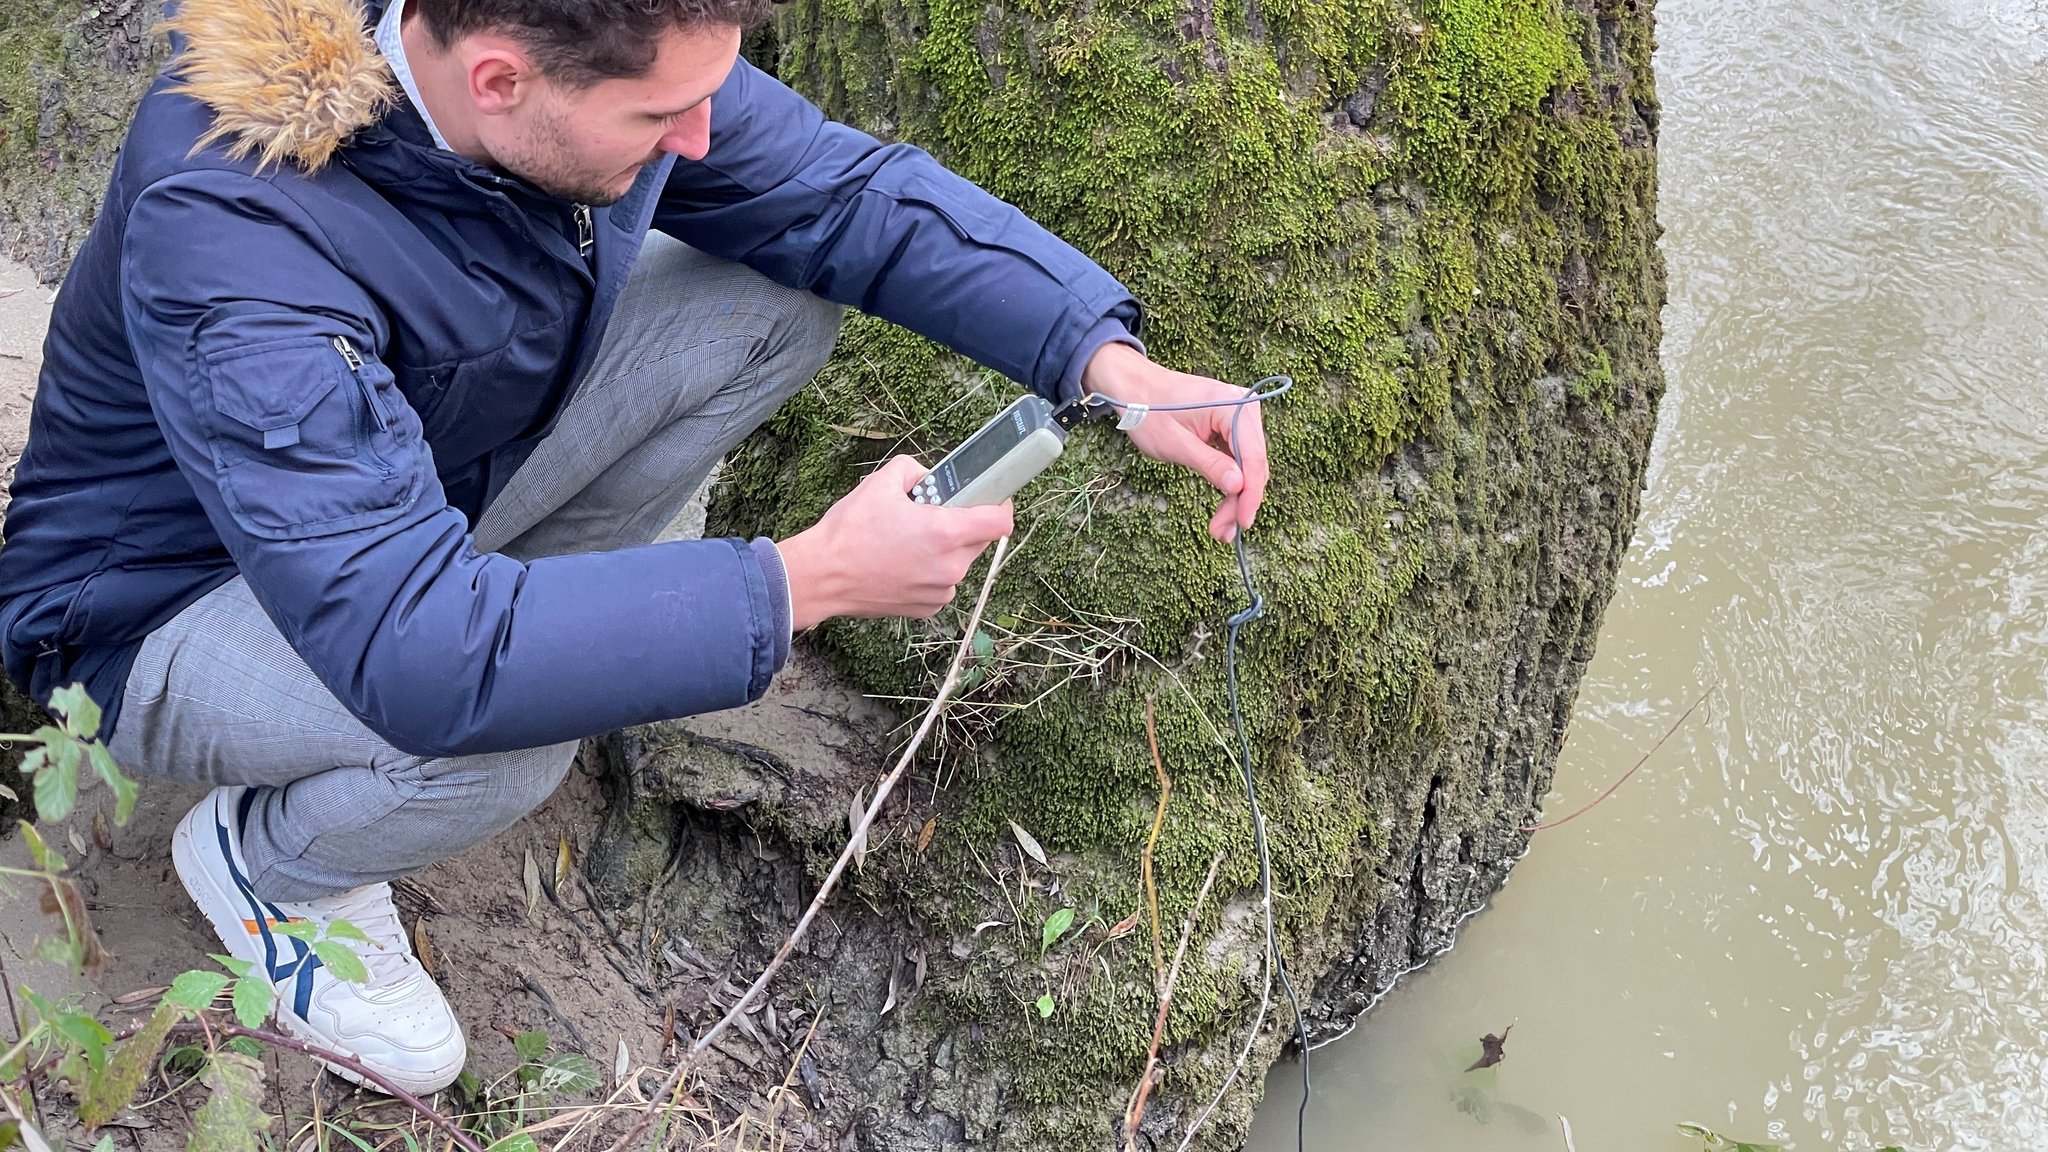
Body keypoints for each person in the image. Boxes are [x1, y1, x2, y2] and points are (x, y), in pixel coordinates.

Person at [0, 0, 1269, 1094]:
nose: (700, 140)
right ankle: (270, 869)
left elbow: (842, 194)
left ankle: (547, 618)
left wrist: (1109, 365)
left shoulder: (576, 61)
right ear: (498, 78)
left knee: (760, 304)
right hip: (154, 612)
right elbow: (421, 656)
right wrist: (802, 583)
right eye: (660, 119)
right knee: (505, 739)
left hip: (401, 496)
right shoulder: (236, 230)